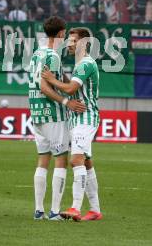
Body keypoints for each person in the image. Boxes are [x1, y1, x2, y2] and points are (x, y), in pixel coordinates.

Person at [41, 27, 102, 222]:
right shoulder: (80, 65)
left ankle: (75, 207)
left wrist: (51, 79)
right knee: (86, 162)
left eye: (74, 41)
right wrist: (60, 77)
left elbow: (71, 88)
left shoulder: (85, 64)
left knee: (75, 161)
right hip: (77, 117)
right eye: (69, 40)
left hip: (85, 117)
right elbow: (72, 88)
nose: (69, 44)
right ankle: (95, 210)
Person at [28, 16, 86, 221]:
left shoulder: (38, 53)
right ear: (61, 33)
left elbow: (59, 78)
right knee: (61, 159)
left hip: (35, 113)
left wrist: (75, 91)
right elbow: (45, 87)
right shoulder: (53, 55)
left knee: (43, 159)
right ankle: (53, 212)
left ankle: (38, 210)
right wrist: (66, 102)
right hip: (53, 113)